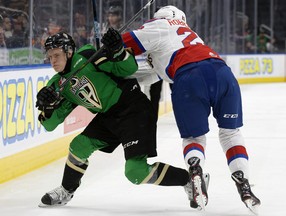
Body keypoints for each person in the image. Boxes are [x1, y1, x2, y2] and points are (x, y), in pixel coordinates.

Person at [122, 5, 261, 213]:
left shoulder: (159, 25)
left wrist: (108, 46)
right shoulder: (188, 35)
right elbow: (155, 73)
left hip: (189, 78)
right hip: (222, 72)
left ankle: (195, 169)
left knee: (194, 138)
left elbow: (123, 44)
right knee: (230, 133)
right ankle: (243, 179)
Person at [36, 29, 195, 207]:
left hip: (133, 108)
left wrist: (117, 50)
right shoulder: (57, 85)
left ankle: (190, 180)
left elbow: (129, 68)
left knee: (136, 172)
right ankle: (66, 190)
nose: (53, 61)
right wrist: (48, 108)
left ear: (69, 51)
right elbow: (50, 125)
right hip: (108, 115)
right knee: (79, 146)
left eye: (57, 55)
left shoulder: (88, 56)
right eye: (50, 57)